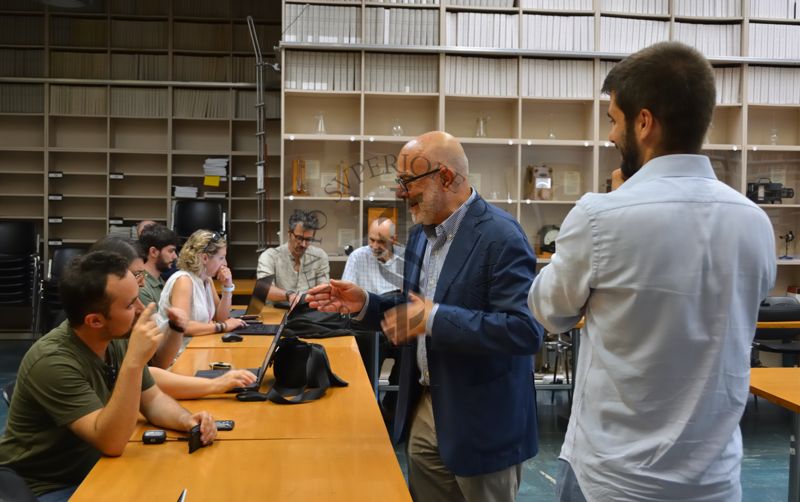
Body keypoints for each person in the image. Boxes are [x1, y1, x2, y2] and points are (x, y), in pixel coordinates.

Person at [527, 42, 776, 501]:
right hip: (715, 481)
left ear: (644, 122)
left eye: (613, 120)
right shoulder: (755, 223)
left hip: (612, 479)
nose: (610, 136)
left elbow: (549, 312)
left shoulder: (600, 217)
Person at [307, 131, 543, 502]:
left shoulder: (501, 236)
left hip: (483, 422)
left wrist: (434, 319)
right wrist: (366, 303)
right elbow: (414, 306)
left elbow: (524, 330)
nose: (400, 193)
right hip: (426, 409)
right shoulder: (421, 236)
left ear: (446, 177)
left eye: (407, 182)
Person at [0, 251, 217, 500]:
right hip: (45, 486)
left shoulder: (116, 337)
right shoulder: (52, 362)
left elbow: (154, 401)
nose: (141, 309)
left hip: (95, 467)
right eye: (129, 305)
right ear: (94, 321)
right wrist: (134, 362)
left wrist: (188, 422)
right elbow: (111, 442)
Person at [90, 236, 256, 396]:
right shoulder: (184, 280)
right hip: (180, 356)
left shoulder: (120, 331)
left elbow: (150, 378)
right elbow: (149, 378)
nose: (142, 282)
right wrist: (216, 384)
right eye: (137, 274)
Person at [156, 229, 246, 337]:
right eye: (221, 258)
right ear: (204, 258)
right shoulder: (183, 281)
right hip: (180, 351)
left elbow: (220, 318)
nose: (225, 263)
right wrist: (222, 326)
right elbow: (182, 326)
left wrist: (227, 288)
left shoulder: (207, 279)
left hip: (197, 345)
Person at [256, 210, 330, 304]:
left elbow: (323, 288)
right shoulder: (269, 256)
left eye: (308, 239)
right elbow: (264, 289)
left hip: (308, 312)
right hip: (278, 313)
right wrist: (289, 295)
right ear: (289, 233)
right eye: (299, 238)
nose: (303, 244)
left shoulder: (320, 256)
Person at [342, 217, 404, 295]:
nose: (375, 246)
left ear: (393, 240)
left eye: (381, 241)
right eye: (372, 240)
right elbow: (346, 293)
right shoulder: (357, 257)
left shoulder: (406, 258)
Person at [138, 223, 179, 307]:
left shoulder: (159, 280)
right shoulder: (142, 286)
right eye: (171, 251)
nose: (175, 256)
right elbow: (155, 320)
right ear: (153, 252)